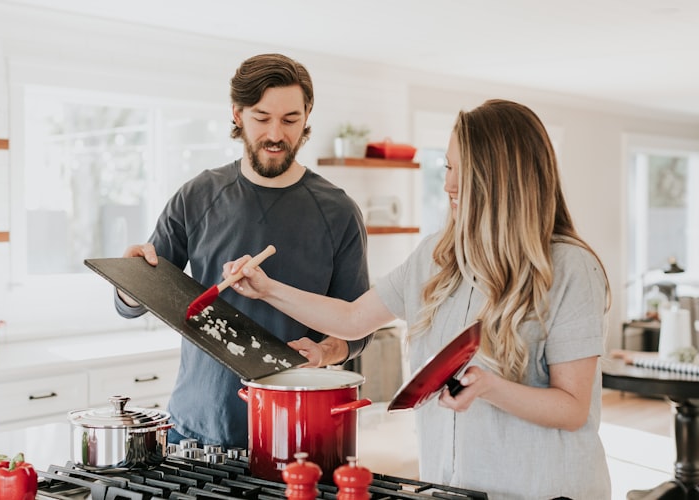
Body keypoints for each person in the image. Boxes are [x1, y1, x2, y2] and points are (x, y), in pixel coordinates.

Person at [227, 99, 612, 499]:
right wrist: (267, 288)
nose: (448, 185)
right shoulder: (436, 256)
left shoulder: (570, 267)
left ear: (503, 179)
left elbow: (572, 408)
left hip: (544, 490)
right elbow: (354, 318)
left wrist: (489, 387)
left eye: (464, 171)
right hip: (449, 487)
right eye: (447, 167)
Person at [114, 53, 372, 450]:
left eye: (290, 120)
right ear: (237, 114)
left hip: (296, 432)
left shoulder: (338, 212)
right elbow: (138, 297)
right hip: (195, 429)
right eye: (262, 117)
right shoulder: (197, 196)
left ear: (306, 117)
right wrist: (130, 283)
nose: (276, 134)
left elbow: (357, 330)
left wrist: (324, 351)